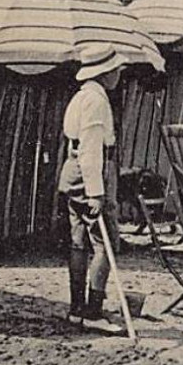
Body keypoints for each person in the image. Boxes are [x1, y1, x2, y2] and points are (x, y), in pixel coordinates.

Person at [57, 43, 128, 333]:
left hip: (72, 172)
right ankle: (93, 311)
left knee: (79, 242)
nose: (119, 75)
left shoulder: (81, 96)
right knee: (105, 242)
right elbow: (90, 149)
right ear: (106, 72)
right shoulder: (96, 101)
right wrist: (96, 192)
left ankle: (77, 309)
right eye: (117, 71)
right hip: (89, 173)